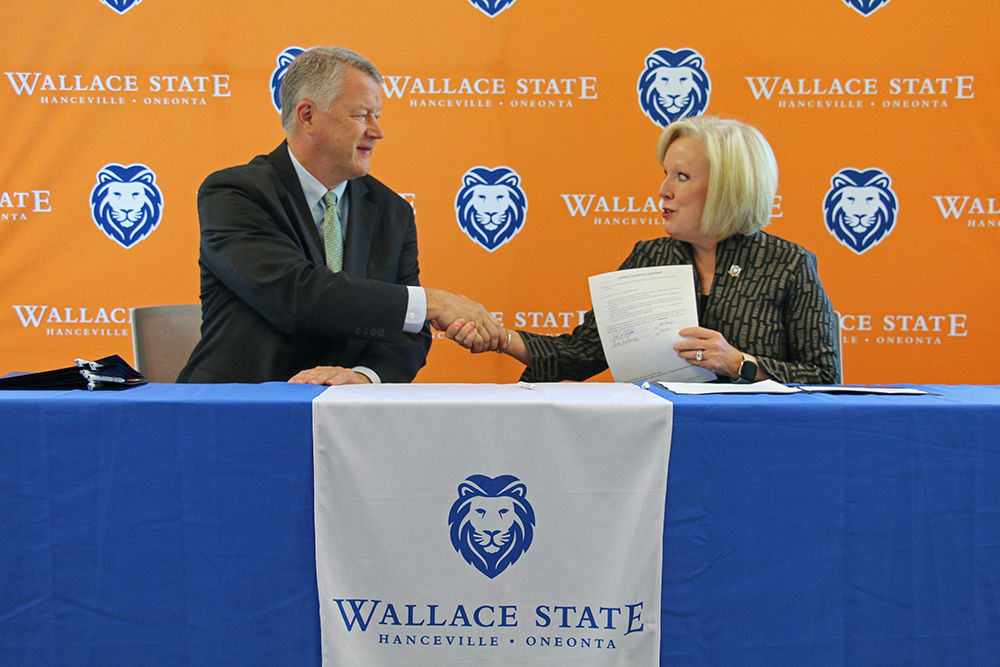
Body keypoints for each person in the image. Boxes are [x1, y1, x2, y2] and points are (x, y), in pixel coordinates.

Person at [178, 47, 501, 385]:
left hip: (348, 417)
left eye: (377, 115)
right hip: (240, 411)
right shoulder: (234, 192)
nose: (377, 131)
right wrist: (432, 301)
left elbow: (408, 331)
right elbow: (297, 296)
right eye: (362, 115)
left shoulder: (392, 210)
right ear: (307, 116)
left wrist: (363, 378)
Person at [446, 115, 840, 384]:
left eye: (681, 176)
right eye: (665, 174)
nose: (663, 190)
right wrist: (501, 338)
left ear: (727, 185)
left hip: (756, 445)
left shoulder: (788, 264)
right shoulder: (649, 257)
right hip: (660, 443)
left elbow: (825, 379)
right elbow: (582, 353)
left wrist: (739, 363)